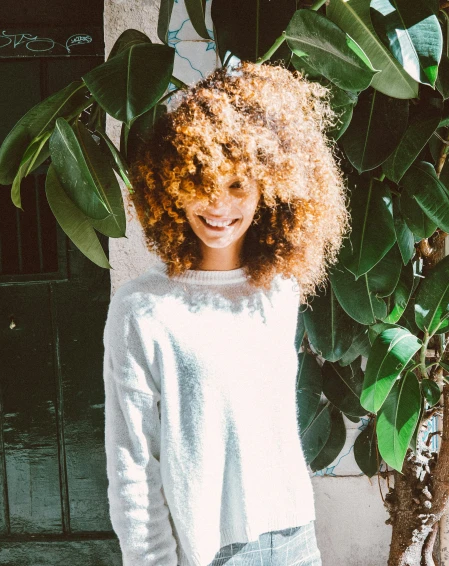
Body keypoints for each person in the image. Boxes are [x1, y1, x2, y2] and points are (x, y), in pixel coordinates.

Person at [102, 61, 349, 566]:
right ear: (171, 184)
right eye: (201, 181)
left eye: (238, 185)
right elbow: (132, 463)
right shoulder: (143, 309)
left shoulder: (278, 292)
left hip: (295, 539)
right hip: (208, 553)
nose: (219, 205)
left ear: (269, 191)